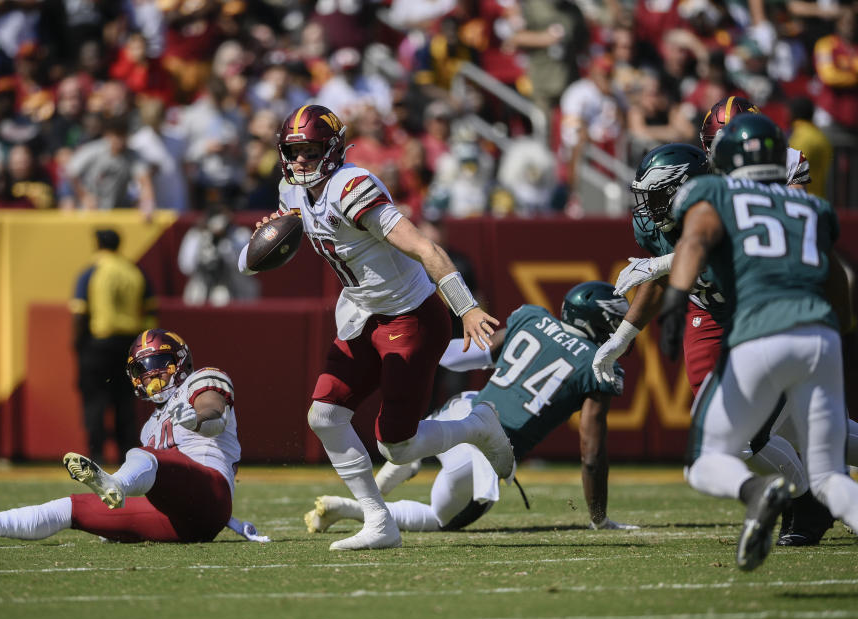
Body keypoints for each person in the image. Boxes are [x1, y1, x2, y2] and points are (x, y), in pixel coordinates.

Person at [238, 104, 514, 551]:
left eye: (310, 151)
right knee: (324, 416)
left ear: (332, 150)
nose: (301, 161)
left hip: (410, 315)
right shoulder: (291, 191)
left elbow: (426, 248)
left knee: (397, 447)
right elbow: (250, 263)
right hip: (361, 313)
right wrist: (258, 245)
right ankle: (379, 521)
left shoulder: (353, 187)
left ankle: (477, 425)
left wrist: (465, 308)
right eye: (294, 151)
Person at [592, 139, 852, 547]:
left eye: (658, 196)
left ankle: (808, 504)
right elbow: (664, 277)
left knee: (768, 434)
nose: (648, 208)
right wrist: (623, 337)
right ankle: (810, 501)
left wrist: (661, 264)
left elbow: (713, 249)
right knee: (769, 431)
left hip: (766, 319)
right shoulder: (668, 222)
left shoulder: (731, 204)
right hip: (717, 315)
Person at [657, 113, 858, 571]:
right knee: (830, 478)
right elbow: (835, 277)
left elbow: (695, 241)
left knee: (706, 459)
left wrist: (674, 300)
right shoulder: (811, 207)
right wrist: (842, 327)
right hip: (820, 337)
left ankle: (757, 492)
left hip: (759, 334)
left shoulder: (716, 192)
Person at [305, 282, 639, 535]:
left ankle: (383, 485)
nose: (622, 332)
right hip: (486, 450)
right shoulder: (598, 365)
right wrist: (599, 517)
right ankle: (352, 508)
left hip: (460, 409)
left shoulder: (533, 319)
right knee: (440, 518)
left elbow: (472, 352)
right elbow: (592, 454)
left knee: (409, 442)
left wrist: (405, 359)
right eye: (617, 324)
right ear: (599, 323)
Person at [0, 329, 268, 544]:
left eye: (159, 364)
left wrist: (195, 420)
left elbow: (214, 415)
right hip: (179, 521)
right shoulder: (152, 424)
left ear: (180, 362)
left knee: (145, 457)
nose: (150, 376)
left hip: (211, 493)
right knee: (71, 508)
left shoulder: (202, 380)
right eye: (142, 369)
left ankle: (113, 484)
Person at [70, 228, 157, 464]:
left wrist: (78, 346)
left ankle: (95, 454)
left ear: (97, 244)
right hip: (129, 345)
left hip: (98, 345)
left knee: (95, 402)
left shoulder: (92, 271)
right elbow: (151, 311)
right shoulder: (134, 271)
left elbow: (80, 314)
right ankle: (127, 453)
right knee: (125, 403)